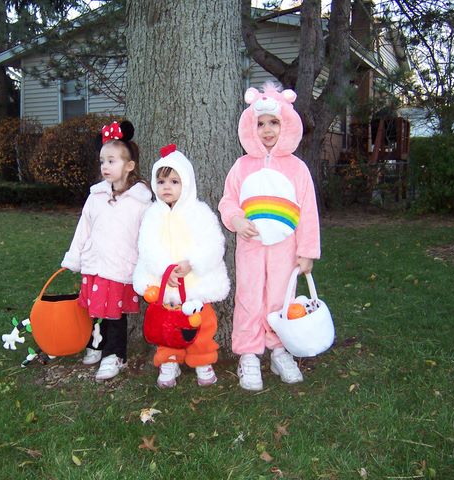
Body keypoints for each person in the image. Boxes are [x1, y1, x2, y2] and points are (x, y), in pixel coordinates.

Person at [218, 82, 320, 391]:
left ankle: (278, 349)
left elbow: (308, 211)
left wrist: (307, 251)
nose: (267, 130)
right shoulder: (241, 166)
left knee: (279, 297)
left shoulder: (297, 169)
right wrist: (237, 219)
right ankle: (248, 353)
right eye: (260, 123)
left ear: (286, 123)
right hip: (250, 245)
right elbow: (228, 201)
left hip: (285, 248)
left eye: (273, 122)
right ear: (251, 127)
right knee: (248, 296)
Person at [61, 120, 152, 381]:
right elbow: (84, 228)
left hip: (120, 267)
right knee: (95, 309)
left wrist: (147, 268)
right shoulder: (96, 197)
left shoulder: (141, 201)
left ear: (129, 165)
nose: (105, 167)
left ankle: (115, 355)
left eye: (112, 161)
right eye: (102, 161)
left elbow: (147, 238)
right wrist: (74, 257)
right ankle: (96, 344)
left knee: (115, 315)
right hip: (95, 263)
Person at [133, 144, 230, 388]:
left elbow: (214, 244)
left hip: (196, 285)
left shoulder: (200, 212)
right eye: (161, 181)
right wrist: (165, 270)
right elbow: (147, 246)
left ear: (186, 184)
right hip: (164, 285)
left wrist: (192, 263)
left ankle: (202, 360)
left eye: (174, 181)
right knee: (166, 328)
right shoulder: (152, 215)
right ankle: (169, 360)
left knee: (201, 326)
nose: (167, 187)